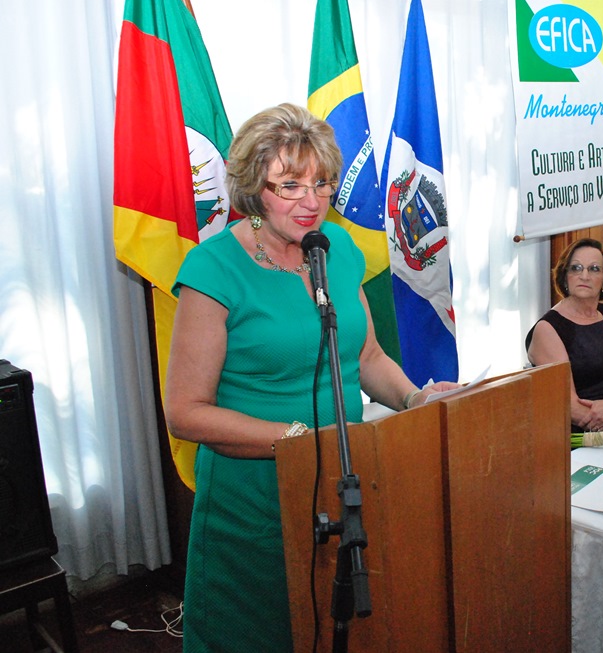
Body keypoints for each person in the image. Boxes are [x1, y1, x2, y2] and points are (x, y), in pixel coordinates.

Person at [163, 103, 457, 653]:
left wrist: (415, 398)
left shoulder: (336, 248)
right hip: (254, 498)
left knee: (342, 627)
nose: (312, 202)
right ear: (254, 188)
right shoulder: (213, 270)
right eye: (291, 186)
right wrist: (299, 441)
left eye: (321, 184)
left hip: (342, 476)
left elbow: (366, 356)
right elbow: (185, 413)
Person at [526, 238, 603, 432]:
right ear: (564, 276)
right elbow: (571, 408)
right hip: (590, 433)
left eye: (594, 269)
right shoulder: (548, 328)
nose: (584, 276)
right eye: (576, 268)